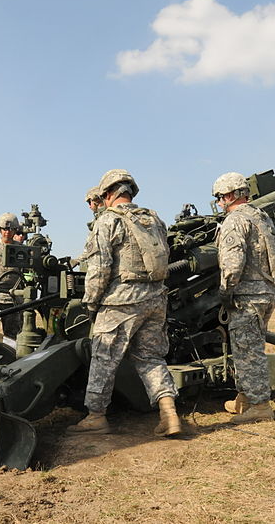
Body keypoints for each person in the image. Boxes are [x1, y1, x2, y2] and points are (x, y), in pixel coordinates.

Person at [68, 169, 181, 437]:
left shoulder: (107, 222)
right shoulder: (154, 219)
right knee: (151, 358)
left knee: (104, 357)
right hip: (155, 299)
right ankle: (169, 414)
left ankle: (96, 416)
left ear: (108, 194)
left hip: (121, 301)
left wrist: (91, 303)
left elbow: (99, 270)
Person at [213, 172, 275, 424]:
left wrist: (224, 293)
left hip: (247, 296)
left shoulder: (235, 220)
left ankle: (260, 406)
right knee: (247, 347)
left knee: (248, 352)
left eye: (221, 197)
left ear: (232, 195)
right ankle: (245, 398)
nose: (220, 202)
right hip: (266, 292)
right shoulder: (260, 217)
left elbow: (232, 265)